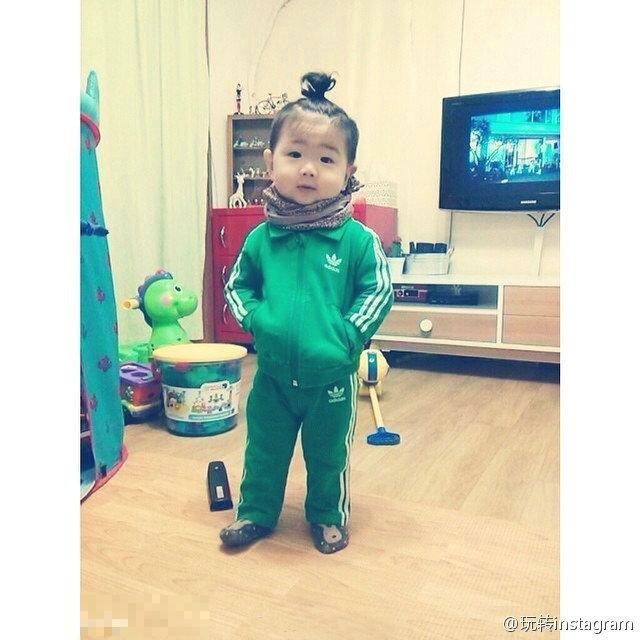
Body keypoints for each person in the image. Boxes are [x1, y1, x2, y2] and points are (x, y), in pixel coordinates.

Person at [220, 71, 393, 554]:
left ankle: (327, 515)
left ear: (348, 170)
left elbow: (378, 290)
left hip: (331, 380)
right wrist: (257, 321)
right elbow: (237, 285)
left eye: (326, 159)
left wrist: (346, 335)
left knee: (328, 455)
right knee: (264, 449)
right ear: (270, 160)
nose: (309, 169)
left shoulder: (356, 240)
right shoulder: (262, 238)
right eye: (295, 155)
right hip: (272, 376)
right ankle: (255, 513)